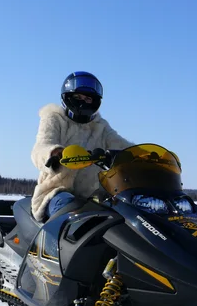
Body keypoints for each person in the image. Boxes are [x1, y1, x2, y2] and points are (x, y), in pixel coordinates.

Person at [30, 71, 133, 221]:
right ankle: (55, 244)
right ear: (68, 97)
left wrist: (145, 156)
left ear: (95, 101)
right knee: (71, 212)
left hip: (93, 194)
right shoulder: (54, 118)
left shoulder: (100, 127)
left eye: (87, 98)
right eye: (78, 97)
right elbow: (41, 146)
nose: (82, 101)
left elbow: (121, 144)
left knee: (119, 215)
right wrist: (54, 153)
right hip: (55, 192)